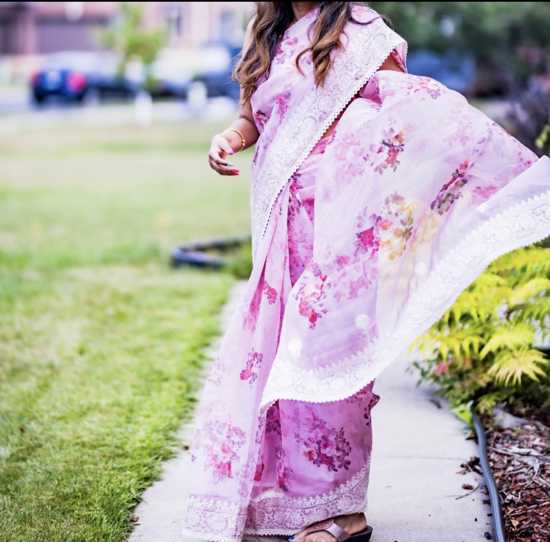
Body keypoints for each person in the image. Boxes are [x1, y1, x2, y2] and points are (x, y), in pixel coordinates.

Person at [181, 3, 550, 541]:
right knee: (277, 361)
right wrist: (230, 139)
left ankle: (344, 512)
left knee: (329, 359)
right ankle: (293, 504)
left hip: (342, 224)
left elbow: (401, 114)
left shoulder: (358, 29)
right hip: (280, 222)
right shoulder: (269, 32)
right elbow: (253, 116)